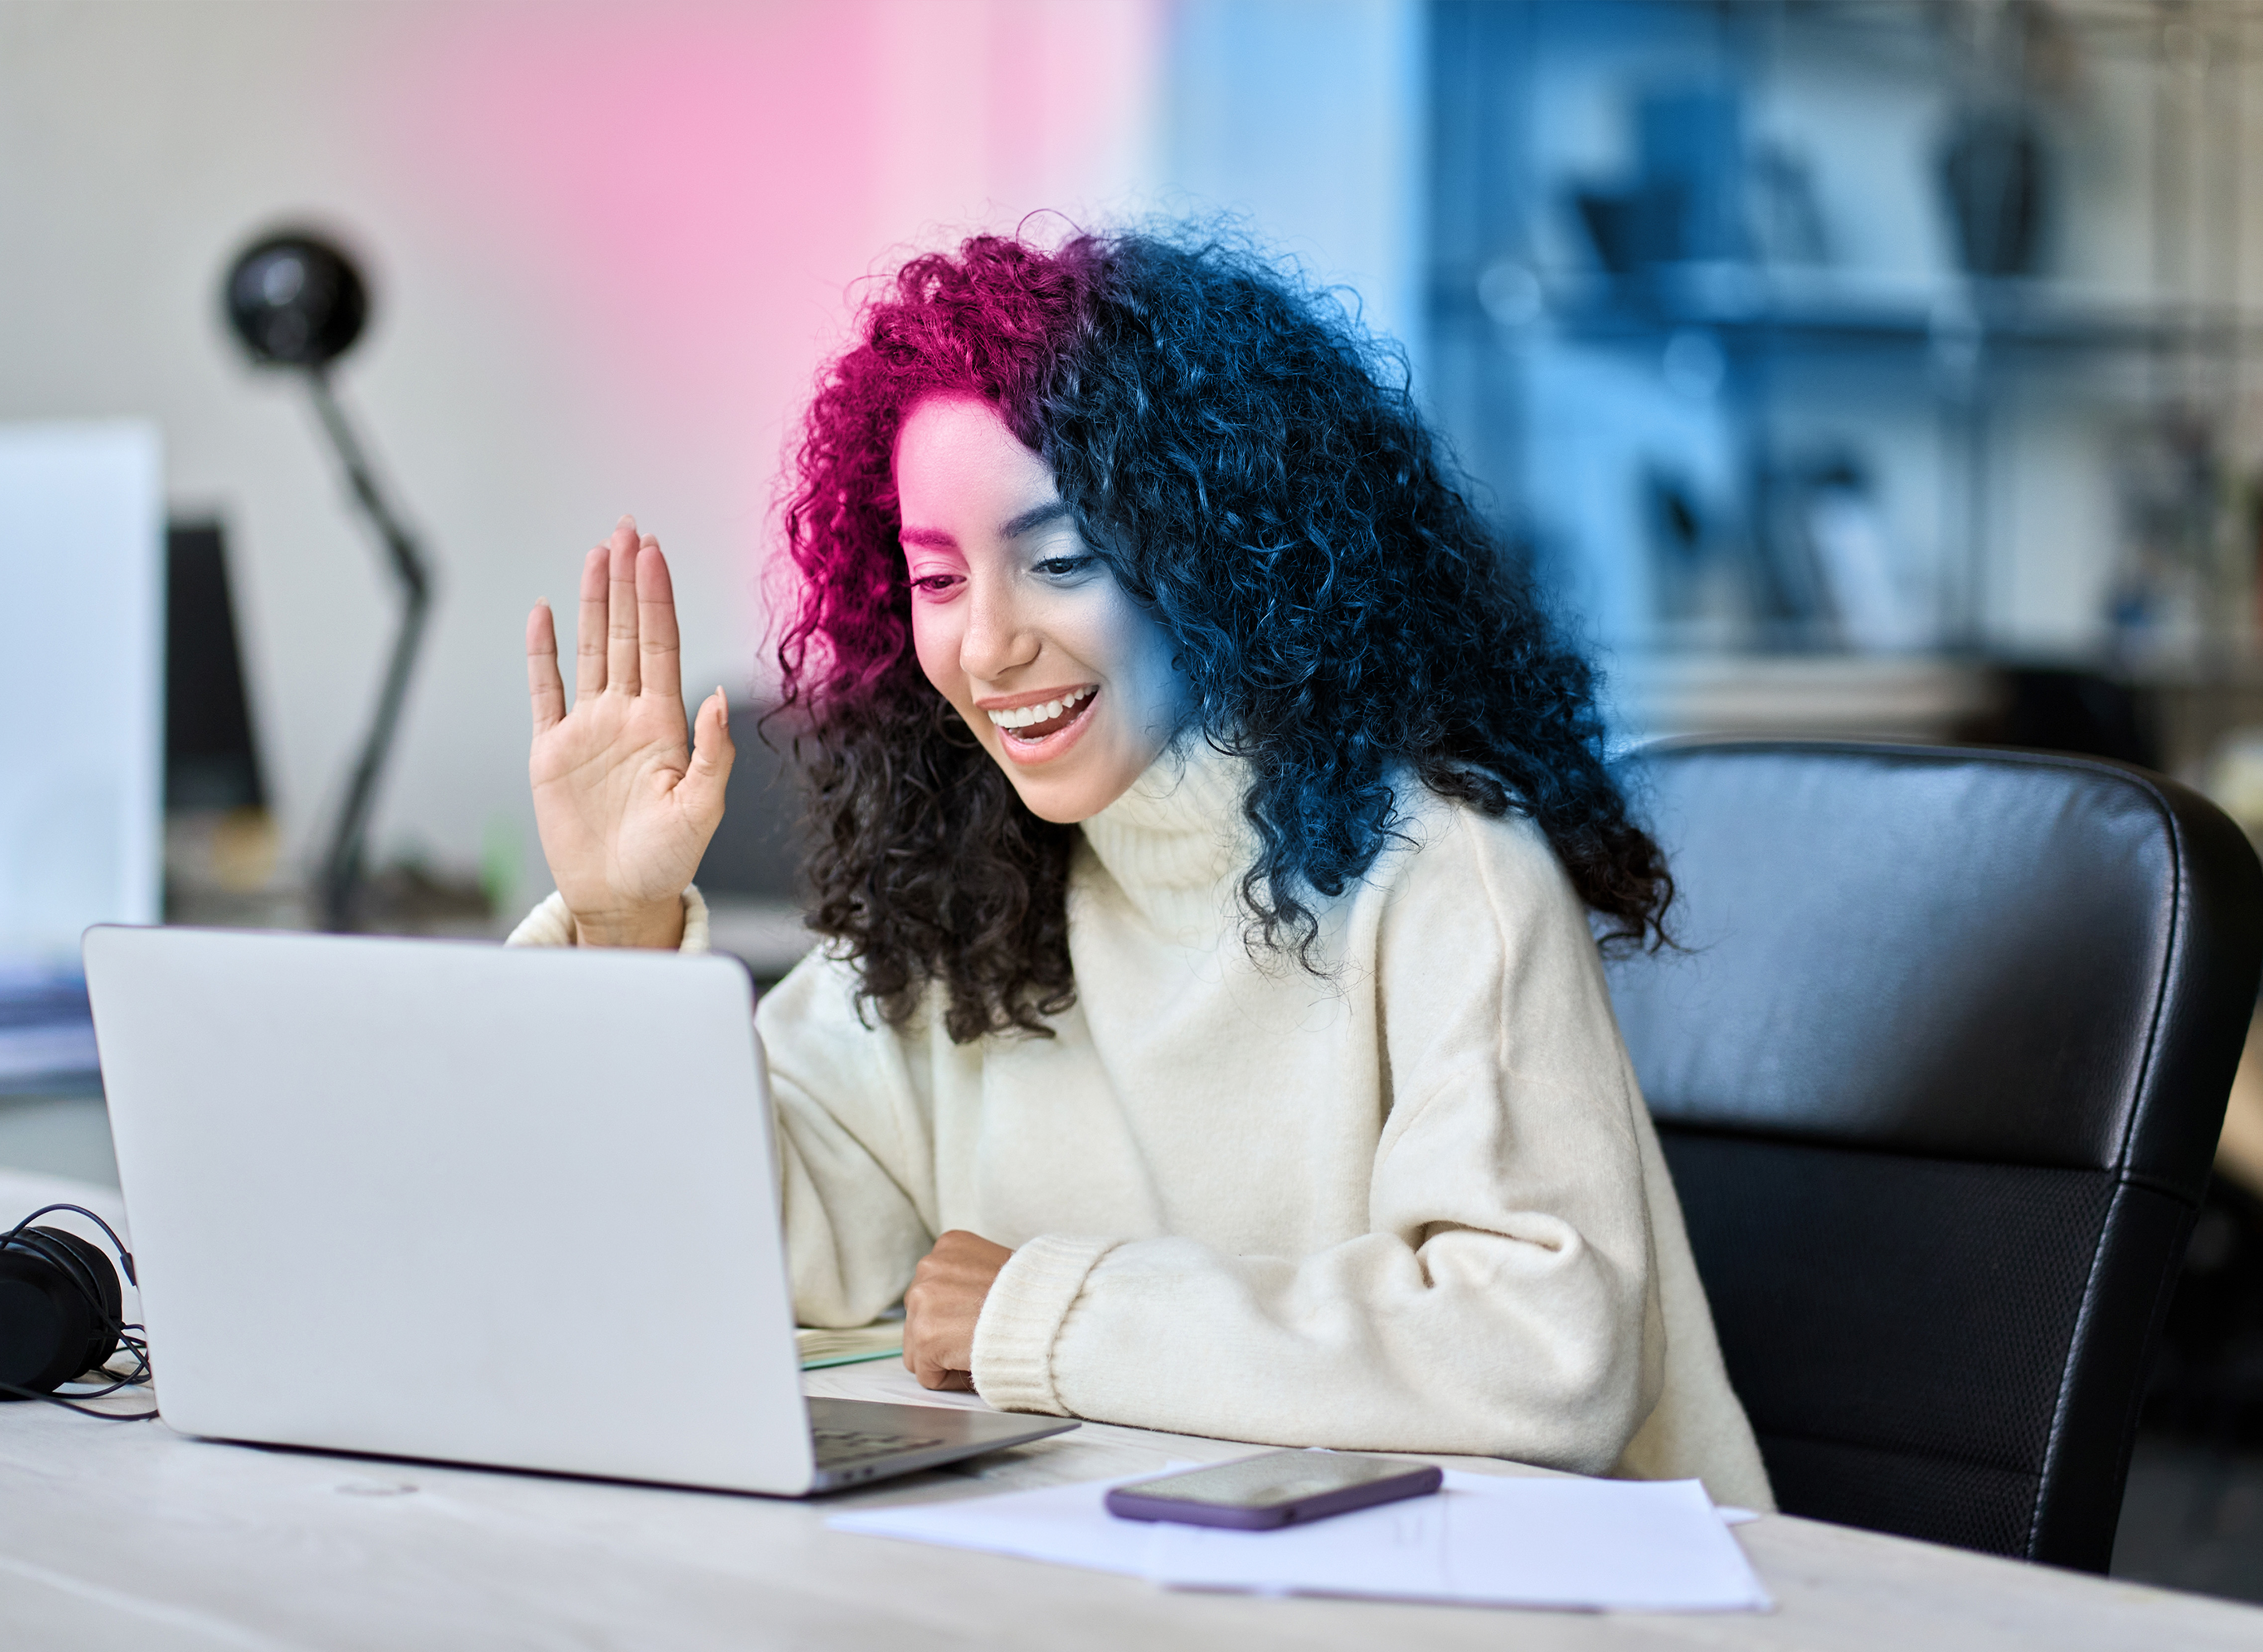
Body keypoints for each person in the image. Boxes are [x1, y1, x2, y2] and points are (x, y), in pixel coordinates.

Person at [510, 228, 1772, 1507]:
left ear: (1226, 557)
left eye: (1062, 561)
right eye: (938, 578)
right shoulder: (962, 887)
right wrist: (621, 927)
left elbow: (1544, 1357)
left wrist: (1045, 1313)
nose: (991, 645)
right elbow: (736, 1249)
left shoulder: (1445, 869)